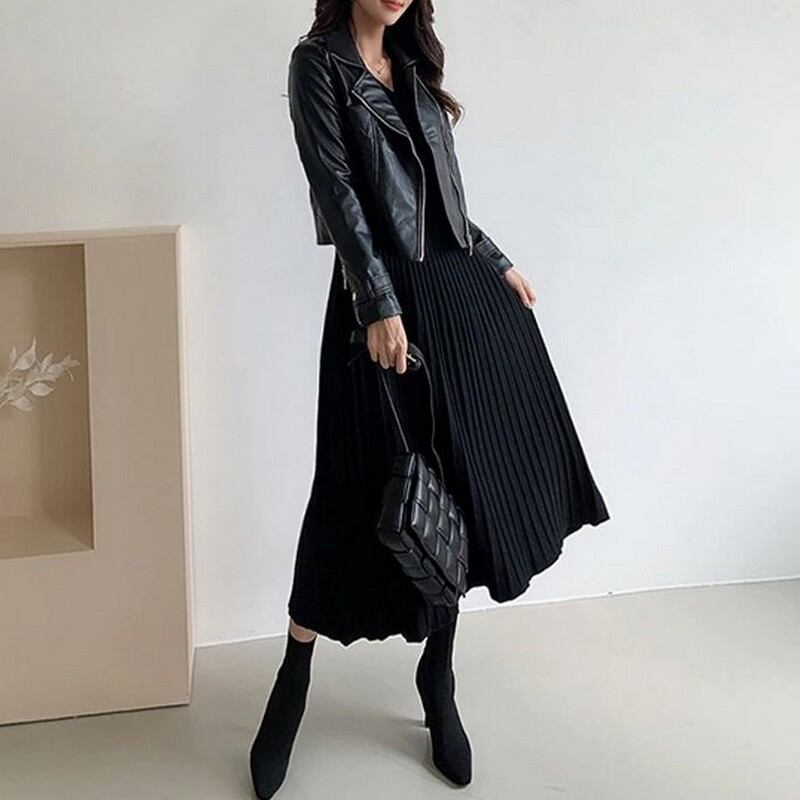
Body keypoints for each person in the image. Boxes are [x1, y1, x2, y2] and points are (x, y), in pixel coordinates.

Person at [249, 1, 611, 796]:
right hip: (379, 306)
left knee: (463, 486)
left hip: (455, 291)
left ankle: (438, 675)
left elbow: (442, 198)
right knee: (350, 492)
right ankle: (294, 674)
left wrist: (495, 258)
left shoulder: (412, 65)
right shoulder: (318, 63)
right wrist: (379, 304)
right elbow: (339, 192)